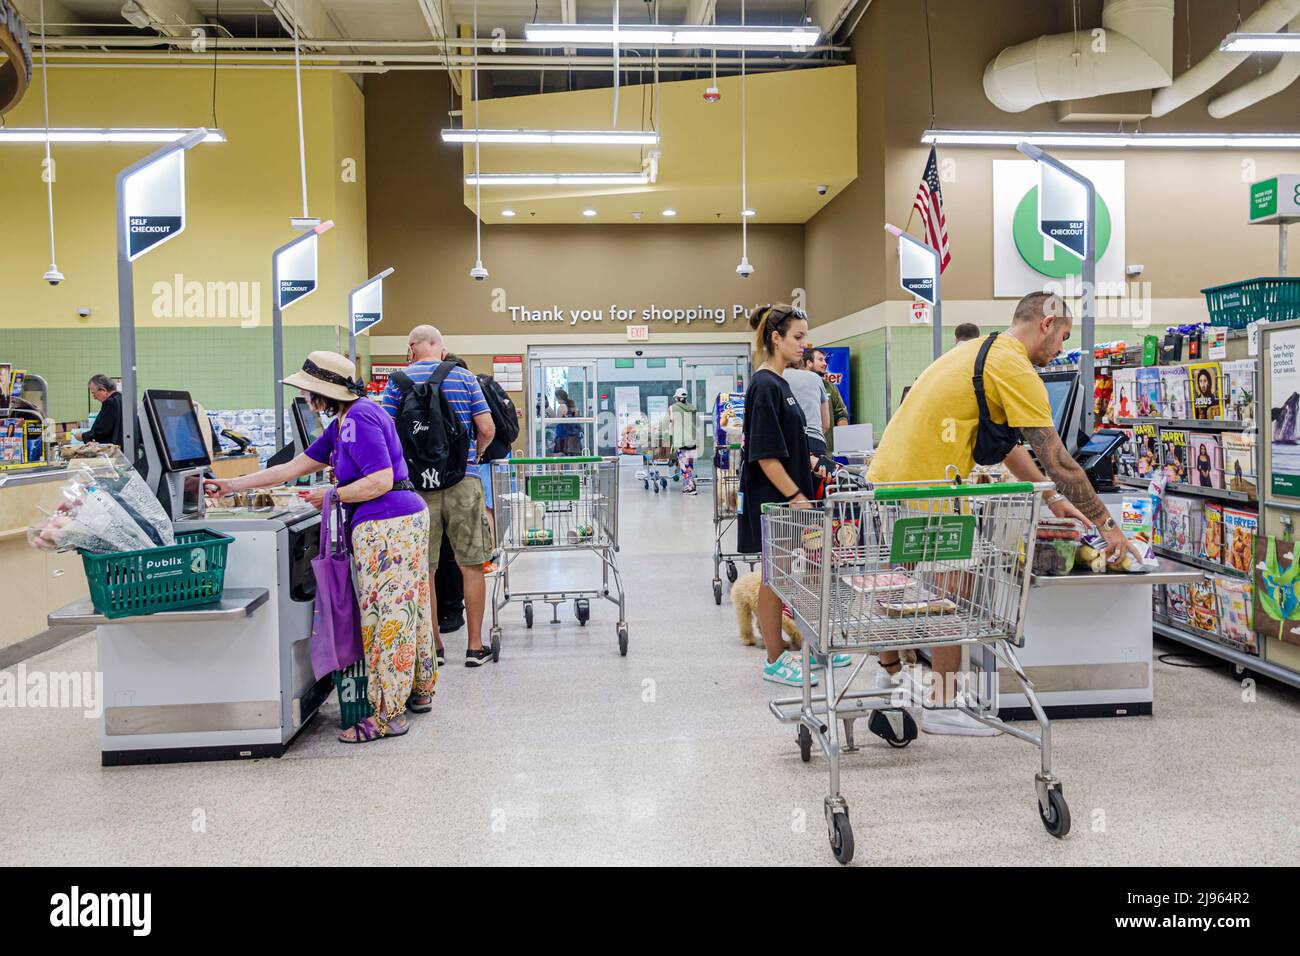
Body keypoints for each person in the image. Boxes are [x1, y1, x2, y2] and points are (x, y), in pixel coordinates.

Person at [868, 291, 1143, 735]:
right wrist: (1108, 527)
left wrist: (1052, 499)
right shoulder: (1013, 362)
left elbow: (1010, 446)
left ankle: (890, 677)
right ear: (1047, 323)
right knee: (953, 584)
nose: (1060, 351)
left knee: (904, 583)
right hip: (929, 480)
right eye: (1063, 337)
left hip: (893, 474)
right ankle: (942, 705)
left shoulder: (981, 351)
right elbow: (1056, 457)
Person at [206, 350, 434, 743]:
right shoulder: (349, 418)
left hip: (386, 526)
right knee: (409, 605)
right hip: (401, 519)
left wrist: (334, 493)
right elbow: (292, 468)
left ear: (324, 392)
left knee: (387, 619)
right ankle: (419, 688)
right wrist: (233, 485)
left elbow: (379, 480)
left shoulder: (359, 419)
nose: (309, 398)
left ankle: (389, 715)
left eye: (310, 391)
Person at [739, 304, 849, 688]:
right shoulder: (764, 385)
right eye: (798, 337)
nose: (805, 344)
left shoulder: (782, 383)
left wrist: (817, 464)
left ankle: (817, 645)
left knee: (803, 573)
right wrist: (798, 495)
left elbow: (790, 445)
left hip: (792, 496)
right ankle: (774, 658)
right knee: (776, 578)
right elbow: (765, 456)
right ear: (776, 338)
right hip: (776, 500)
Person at [383, 325, 497, 667]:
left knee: (424, 569)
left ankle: (434, 648)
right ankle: (475, 646)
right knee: (471, 564)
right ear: (441, 350)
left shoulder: (396, 382)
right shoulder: (464, 378)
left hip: (416, 489)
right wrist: (472, 456)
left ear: (411, 348)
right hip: (463, 480)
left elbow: (387, 434)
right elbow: (488, 428)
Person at [784, 356, 831, 458]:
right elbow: (826, 423)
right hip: (816, 443)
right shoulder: (816, 378)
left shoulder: (776, 377)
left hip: (787, 444)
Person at [805, 348, 849, 434]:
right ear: (809, 363)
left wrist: (842, 438)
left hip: (828, 446)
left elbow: (841, 414)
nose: (825, 363)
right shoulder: (798, 386)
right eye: (821, 360)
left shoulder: (831, 387)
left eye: (825, 360)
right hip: (805, 444)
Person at [667, 387, 700, 495]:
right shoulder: (692, 408)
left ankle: (690, 488)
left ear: (677, 398)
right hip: (692, 441)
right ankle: (690, 484)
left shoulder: (672, 408)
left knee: (684, 467)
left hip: (681, 441)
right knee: (689, 465)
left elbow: (670, 420)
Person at [76, 374, 123, 448]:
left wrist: (83, 436)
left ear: (103, 390)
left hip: (114, 449)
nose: (94, 397)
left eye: (94, 394)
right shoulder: (121, 399)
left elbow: (102, 431)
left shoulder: (110, 403)